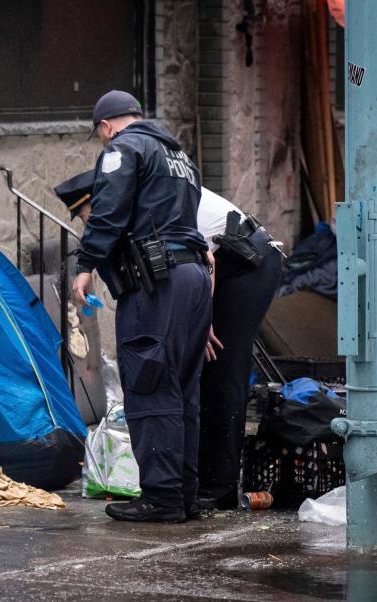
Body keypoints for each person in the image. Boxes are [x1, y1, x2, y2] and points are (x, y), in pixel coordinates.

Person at [70, 90, 212, 523]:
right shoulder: (180, 157)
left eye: (100, 137)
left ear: (106, 126)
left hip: (157, 284)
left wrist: (86, 264)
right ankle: (183, 495)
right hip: (192, 279)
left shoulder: (124, 147)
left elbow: (107, 212)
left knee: (150, 385)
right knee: (183, 391)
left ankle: (162, 498)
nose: (102, 143)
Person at [196, 188, 283, 510]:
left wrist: (203, 319)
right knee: (207, 370)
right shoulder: (149, 182)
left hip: (246, 263)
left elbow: (206, 262)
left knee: (223, 367)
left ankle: (220, 486)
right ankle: (204, 476)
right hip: (229, 258)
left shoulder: (159, 190)